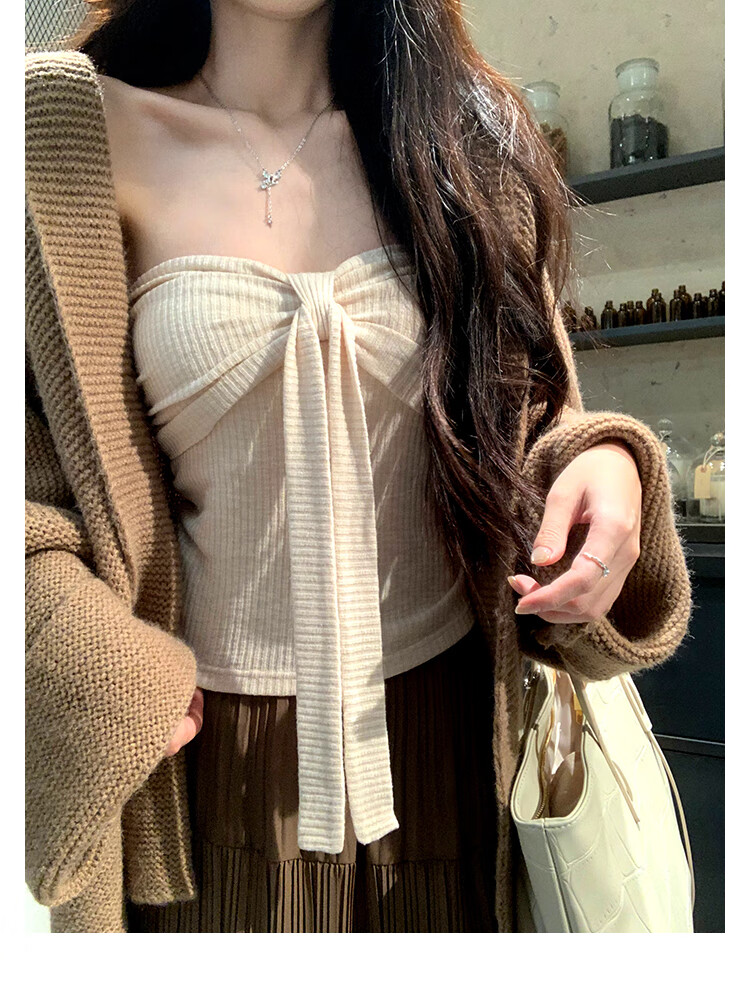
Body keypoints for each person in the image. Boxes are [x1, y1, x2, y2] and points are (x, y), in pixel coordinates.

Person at [25, 0, 693, 933]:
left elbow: (539, 423)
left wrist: (606, 466)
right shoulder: (67, 136)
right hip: (206, 770)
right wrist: (91, 666)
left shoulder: (468, 137)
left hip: (458, 759)